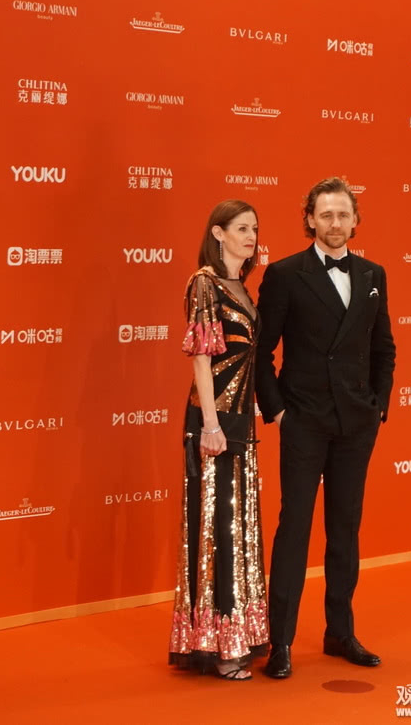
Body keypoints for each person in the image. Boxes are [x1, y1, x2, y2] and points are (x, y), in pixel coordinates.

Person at [256, 177, 396, 679]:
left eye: (343, 214)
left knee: (345, 528)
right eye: (326, 214)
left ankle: (339, 632)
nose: (335, 223)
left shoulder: (374, 274)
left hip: (356, 423)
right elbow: (261, 352)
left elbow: (383, 347)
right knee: (294, 527)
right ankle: (281, 641)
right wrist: (279, 412)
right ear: (310, 219)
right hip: (305, 420)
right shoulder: (284, 274)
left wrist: (378, 406)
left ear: (355, 221)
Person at [168, 200, 269, 680]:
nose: (251, 236)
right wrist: (209, 424)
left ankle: (236, 636)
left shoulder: (242, 287)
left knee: (237, 529)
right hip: (214, 421)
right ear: (218, 233)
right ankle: (217, 645)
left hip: (239, 421)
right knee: (218, 529)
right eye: (241, 228)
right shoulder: (205, 283)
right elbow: (201, 359)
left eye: (254, 229)